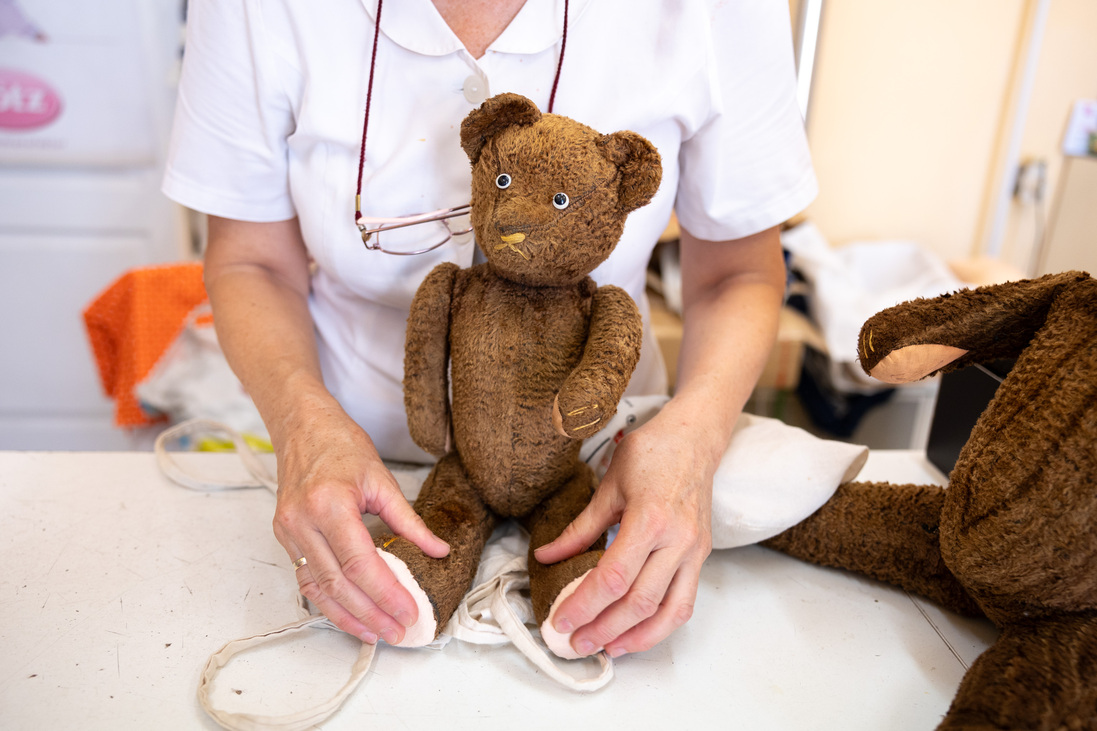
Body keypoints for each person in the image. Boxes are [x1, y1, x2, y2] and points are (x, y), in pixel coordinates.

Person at [162, 0, 816, 658]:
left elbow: (736, 274)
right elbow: (251, 260)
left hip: (597, 471)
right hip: (347, 486)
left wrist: (693, 439)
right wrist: (302, 424)